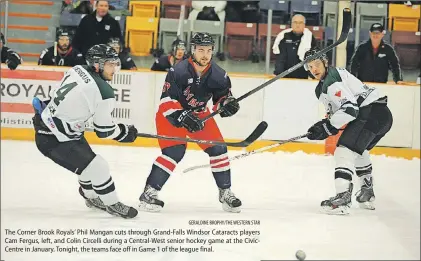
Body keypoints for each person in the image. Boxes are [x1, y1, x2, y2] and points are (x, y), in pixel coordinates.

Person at [31, 44, 138, 219]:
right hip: (55, 138)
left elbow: (53, 94)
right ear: (97, 65)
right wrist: (124, 133)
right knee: (99, 166)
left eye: (115, 64)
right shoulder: (104, 92)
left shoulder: (77, 69)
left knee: (88, 165)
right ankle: (112, 204)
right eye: (110, 64)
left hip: (58, 129)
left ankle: (91, 197)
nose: (115, 69)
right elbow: (104, 131)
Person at [139, 33, 242, 213]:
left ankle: (225, 192)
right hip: (171, 115)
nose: (205, 54)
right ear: (193, 50)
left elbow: (221, 99)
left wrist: (227, 104)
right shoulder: (178, 71)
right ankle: (149, 193)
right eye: (201, 50)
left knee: (219, 149)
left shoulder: (219, 75)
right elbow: (166, 101)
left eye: (209, 50)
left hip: (199, 114)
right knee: (174, 151)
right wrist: (182, 116)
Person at [304, 47, 393, 215]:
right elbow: (342, 112)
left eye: (316, 64)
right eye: (310, 66)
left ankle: (342, 197)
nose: (314, 69)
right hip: (383, 116)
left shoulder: (331, 81)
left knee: (344, 151)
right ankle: (366, 193)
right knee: (358, 151)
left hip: (370, 113)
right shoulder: (328, 81)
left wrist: (327, 127)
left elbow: (350, 110)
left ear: (325, 62)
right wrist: (324, 126)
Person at [272, 14, 318, 78]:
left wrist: (313, 76)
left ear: (304, 25)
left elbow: (313, 59)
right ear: (291, 24)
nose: (297, 25)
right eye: (295, 22)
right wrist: (277, 74)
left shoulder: (310, 38)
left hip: (303, 76)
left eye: (300, 23)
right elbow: (280, 58)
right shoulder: (284, 36)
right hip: (285, 75)